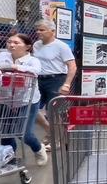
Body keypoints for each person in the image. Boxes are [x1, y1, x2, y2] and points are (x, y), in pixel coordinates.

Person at [0, 33, 48, 166]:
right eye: (9, 42)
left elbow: (36, 70)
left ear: (27, 46)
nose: (11, 45)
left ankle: (38, 149)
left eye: (16, 43)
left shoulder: (32, 60)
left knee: (24, 133)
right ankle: (9, 158)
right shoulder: (2, 56)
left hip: (26, 100)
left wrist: (14, 67)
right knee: (6, 133)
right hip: (6, 99)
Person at [32, 19, 76, 151]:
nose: (38, 32)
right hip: (39, 80)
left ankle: (57, 141)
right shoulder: (36, 45)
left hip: (56, 80)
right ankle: (50, 133)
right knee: (32, 109)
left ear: (52, 31)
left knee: (54, 113)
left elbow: (72, 66)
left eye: (42, 30)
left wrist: (66, 84)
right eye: (37, 30)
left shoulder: (61, 46)